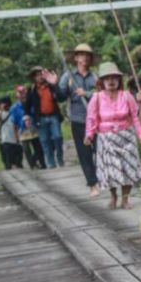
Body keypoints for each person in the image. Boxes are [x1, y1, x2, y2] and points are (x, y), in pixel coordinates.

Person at [85, 62, 141, 210]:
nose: (111, 81)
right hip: (107, 138)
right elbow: (91, 118)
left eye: (114, 78)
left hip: (126, 137)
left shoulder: (126, 96)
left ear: (119, 80)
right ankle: (113, 196)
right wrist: (89, 134)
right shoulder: (97, 97)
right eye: (107, 78)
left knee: (128, 168)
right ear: (102, 82)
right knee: (110, 170)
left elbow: (135, 117)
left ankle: (125, 198)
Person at [52, 43, 99, 196]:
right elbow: (60, 97)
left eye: (87, 55)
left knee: (100, 151)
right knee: (84, 154)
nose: (84, 58)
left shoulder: (95, 77)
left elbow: (102, 96)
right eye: (81, 55)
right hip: (78, 120)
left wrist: (86, 93)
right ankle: (92, 184)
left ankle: (103, 177)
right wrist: (54, 85)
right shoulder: (68, 77)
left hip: (97, 121)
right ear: (76, 58)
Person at [25, 66, 64, 169]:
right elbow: (27, 105)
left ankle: (60, 158)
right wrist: (27, 117)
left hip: (54, 116)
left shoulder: (51, 86)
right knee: (45, 141)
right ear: (34, 77)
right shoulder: (32, 89)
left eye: (41, 74)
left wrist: (55, 84)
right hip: (40, 119)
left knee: (57, 137)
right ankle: (51, 164)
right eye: (37, 75)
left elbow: (61, 98)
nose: (40, 77)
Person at [11, 85, 45, 170]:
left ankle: (42, 163)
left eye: (24, 92)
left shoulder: (32, 103)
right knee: (26, 149)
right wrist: (16, 137)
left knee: (38, 147)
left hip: (33, 128)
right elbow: (14, 123)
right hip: (23, 130)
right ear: (17, 95)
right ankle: (32, 165)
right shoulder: (14, 108)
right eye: (20, 93)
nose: (22, 95)